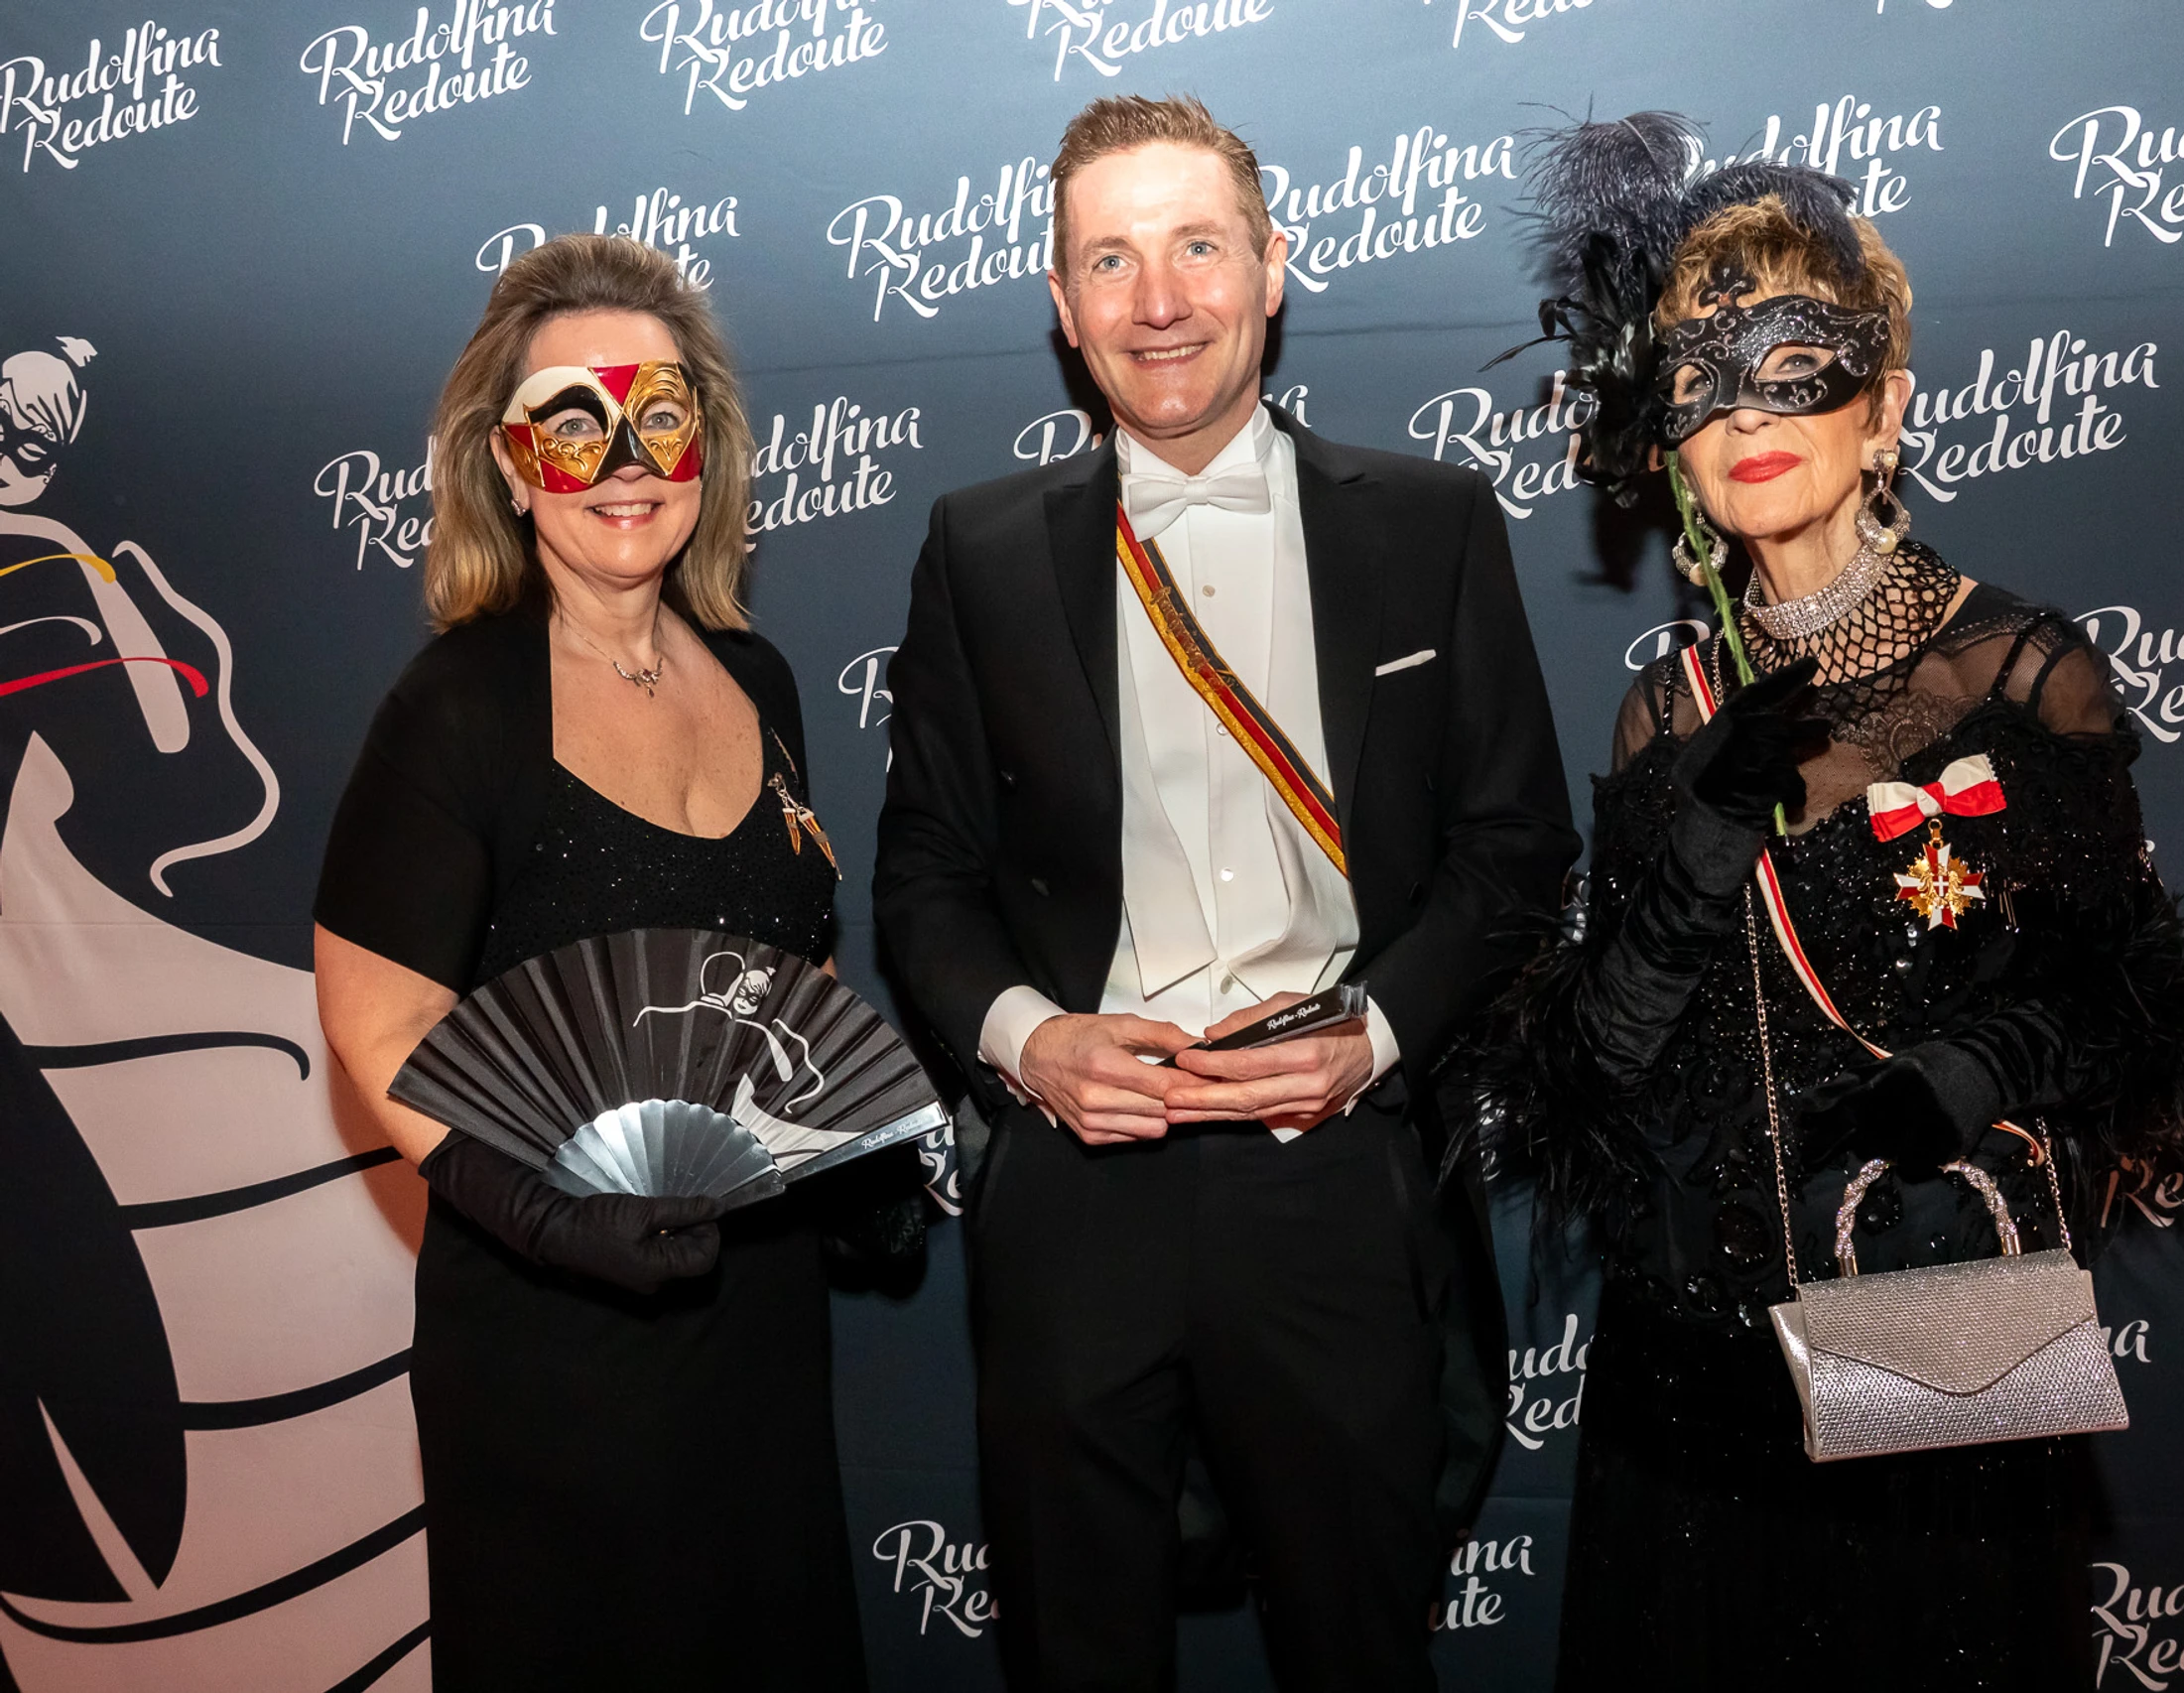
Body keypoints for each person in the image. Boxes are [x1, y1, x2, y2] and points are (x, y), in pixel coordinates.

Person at [1457, 119, 2184, 1687]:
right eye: (1702, 381)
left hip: (1937, 1335)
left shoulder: (2020, 671)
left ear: (1884, 406)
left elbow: (2132, 999)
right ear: (1665, 440)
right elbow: (1598, 1071)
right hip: (1690, 1379)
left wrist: (1964, 1074)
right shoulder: (1664, 712)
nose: (1746, 415)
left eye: (1793, 368)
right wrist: (1700, 847)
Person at [873, 94, 1578, 1692]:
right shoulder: (978, 548)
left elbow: (1516, 844)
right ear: (1062, 308)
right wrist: (1031, 1039)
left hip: (1332, 1166)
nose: (1159, 301)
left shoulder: (1431, 524)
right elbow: (923, 872)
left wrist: (1373, 1038)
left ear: (1273, 267)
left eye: (1198, 247)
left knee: (1357, 1648)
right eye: (1109, 261)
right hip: (1077, 1177)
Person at [313, 234, 884, 1692]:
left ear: (706, 446)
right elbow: (381, 1018)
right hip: (550, 1334)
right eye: (575, 423)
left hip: (758, 1322)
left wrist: (855, 1148)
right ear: (510, 467)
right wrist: (544, 1211)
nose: (626, 462)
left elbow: (786, 975)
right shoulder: (457, 705)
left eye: (660, 415)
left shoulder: (758, 676)